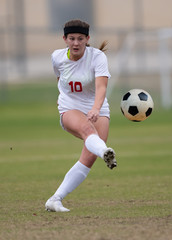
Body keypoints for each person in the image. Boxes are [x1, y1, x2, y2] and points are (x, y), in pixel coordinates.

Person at [45, 19, 117, 212]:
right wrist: (69, 100)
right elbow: (60, 78)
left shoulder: (98, 57)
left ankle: (55, 199)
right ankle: (105, 153)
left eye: (80, 38)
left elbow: (102, 87)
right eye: (71, 38)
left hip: (98, 107)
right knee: (88, 130)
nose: (75, 43)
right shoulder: (57, 57)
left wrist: (95, 108)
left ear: (87, 39)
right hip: (70, 106)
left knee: (88, 159)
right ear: (64, 39)